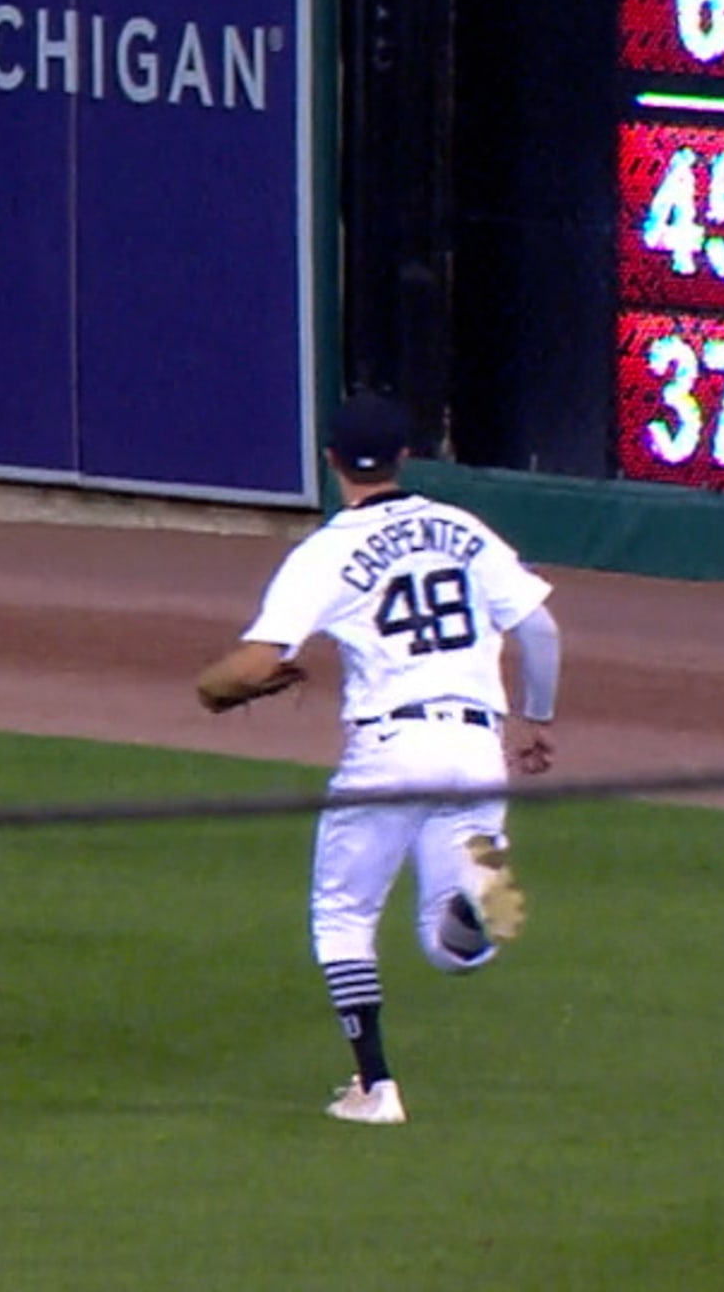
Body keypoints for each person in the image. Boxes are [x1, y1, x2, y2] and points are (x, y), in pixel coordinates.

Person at [193, 391, 562, 1125]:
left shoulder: (325, 552)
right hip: (473, 744)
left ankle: (375, 1088)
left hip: (391, 749)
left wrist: (210, 691)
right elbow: (542, 629)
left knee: (342, 913)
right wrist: (535, 719)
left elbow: (251, 665)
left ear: (331, 461)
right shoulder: (462, 527)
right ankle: (478, 898)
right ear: (406, 457)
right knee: (444, 945)